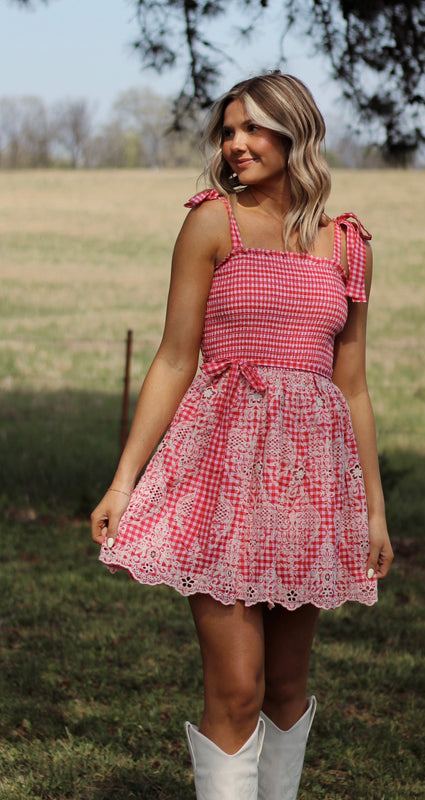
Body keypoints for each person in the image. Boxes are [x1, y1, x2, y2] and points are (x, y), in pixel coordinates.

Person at [91, 71, 393, 800]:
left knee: (286, 687)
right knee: (237, 686)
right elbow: (172, 357)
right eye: (226, 132)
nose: (234, 145)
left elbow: (350, 384)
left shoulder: (348, 246)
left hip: (310, 487)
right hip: (220, 476)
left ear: (295, 134)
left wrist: (372, 510)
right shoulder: (210, 223)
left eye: (252, 128)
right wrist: (123, 481)